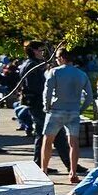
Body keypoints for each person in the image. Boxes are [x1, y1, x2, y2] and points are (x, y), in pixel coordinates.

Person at [18, 41, 72, 172]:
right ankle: (68, 165)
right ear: (34, 51)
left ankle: (41, 165)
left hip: (37, 104)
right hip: (38, 105)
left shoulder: (32, 65)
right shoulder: (32, 66)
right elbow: (37, 87)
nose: (43, 53)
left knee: (44, 135)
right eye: (41, 50)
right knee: (55, 133)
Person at [40, 47, 91, 181]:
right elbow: (89, 97)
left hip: (56, 110)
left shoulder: (54, 72)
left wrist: (47, 106)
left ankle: (44, 170)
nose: (56, 61)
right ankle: (73, 173)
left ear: (62, 58)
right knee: (73, 143)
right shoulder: (81, 74)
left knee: (47, 141)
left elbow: (47, 92)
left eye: (57, 58)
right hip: (73, 111)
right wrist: (81, 109)